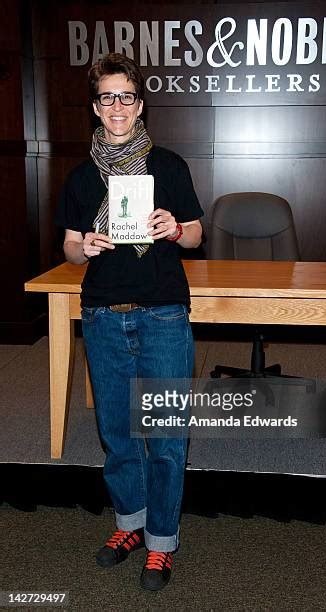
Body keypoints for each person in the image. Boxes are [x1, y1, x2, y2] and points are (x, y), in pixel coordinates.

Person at [56, 52, 203, 591]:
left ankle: (162, 541)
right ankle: (130, 524)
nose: (117, 106)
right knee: (117, 433)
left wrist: (172, 227)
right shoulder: (79, 176)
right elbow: (70, 247)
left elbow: (195, 235)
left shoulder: (168, 166)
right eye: (107, 97)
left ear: (140, 105)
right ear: (96, 107)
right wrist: (85, 245)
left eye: (127, 96)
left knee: (165, 436)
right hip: (101, 315)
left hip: (163, 312)